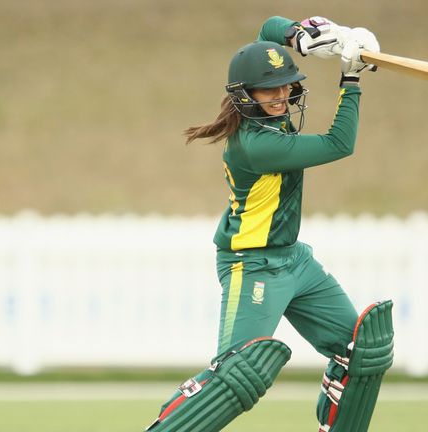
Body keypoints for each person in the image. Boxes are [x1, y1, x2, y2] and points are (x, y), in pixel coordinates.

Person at [145, 16, 394, 432]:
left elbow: (266, 33)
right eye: (270, 89)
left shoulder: (262, 108)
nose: (281, 95)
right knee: (236, 375)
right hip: (252, 265)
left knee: (362, 351)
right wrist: (350, 79)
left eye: (286, 85)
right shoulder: (256, 145)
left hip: (295, 260)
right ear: (245, 94)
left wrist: (303, 35)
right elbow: (339, 143)